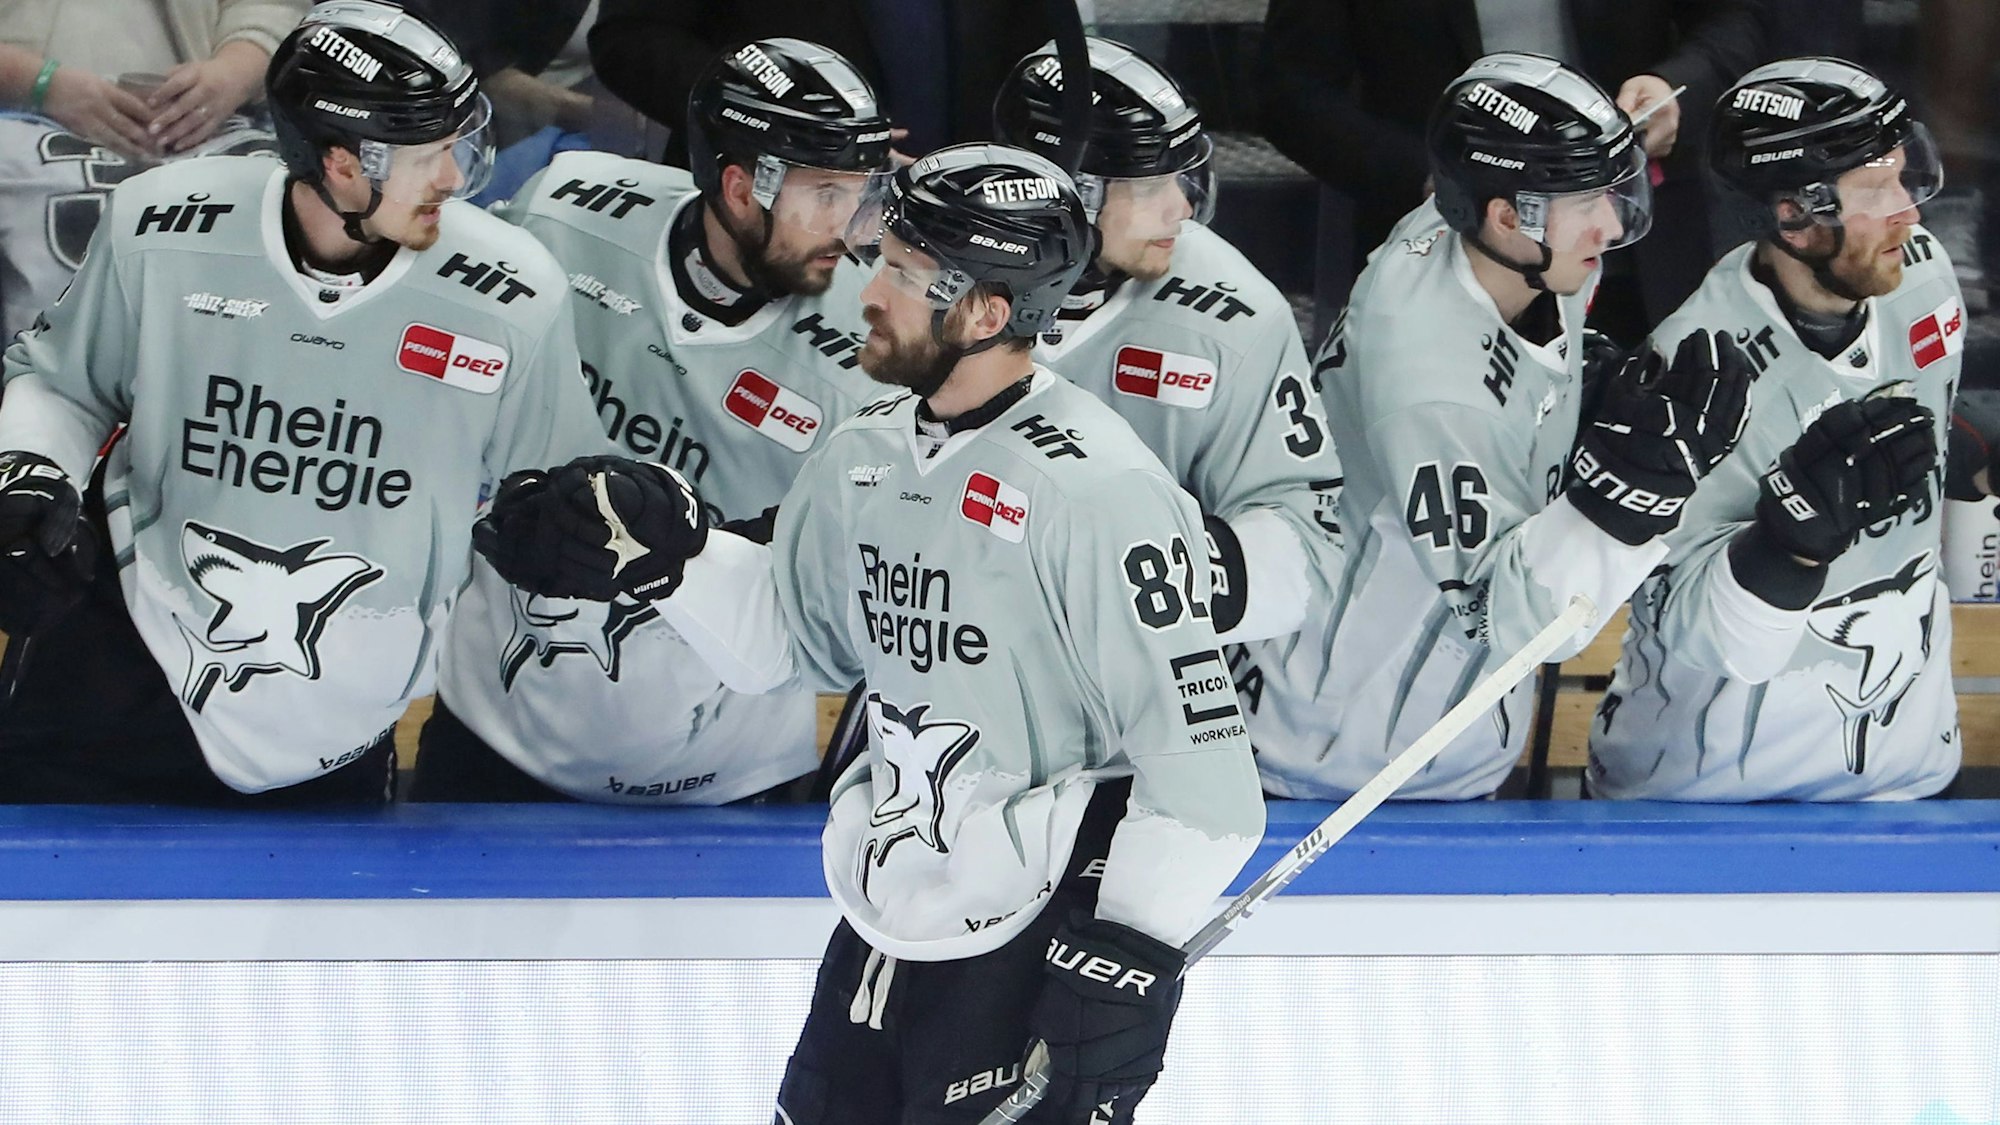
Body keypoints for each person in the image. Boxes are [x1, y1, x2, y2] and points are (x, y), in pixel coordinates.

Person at [473, 145, 1265, 1122]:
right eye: (878, 256)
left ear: (981, 312)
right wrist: (664, 560)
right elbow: (784, 641)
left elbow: (1208, 773)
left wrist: (1132, 957)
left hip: (1034, 926)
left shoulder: (1096, 488)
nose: (868, 290)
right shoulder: (864, 452)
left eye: (900, 271)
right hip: (897, 894)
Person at [0, 0, 601, 804]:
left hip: (339, 710)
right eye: (429, 155)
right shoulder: (162, 223)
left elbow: (552, 485)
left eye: (460, 144)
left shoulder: (514, 291)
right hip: (123, 661)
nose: (455, 179)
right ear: (342, 163)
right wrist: (29, 477)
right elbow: (61, 382)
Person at [1236, 53, 1753, 801]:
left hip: (1450, 739)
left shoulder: (1497, 235)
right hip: (1341, 751)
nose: (1611, 224)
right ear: (1508, 216)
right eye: (1588, 202)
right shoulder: (1432, 382)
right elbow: (1512, 617)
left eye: (1613, 190)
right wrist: (1634, 490)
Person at [412, 38, 894, 804]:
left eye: (864, 194)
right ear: (740, 187)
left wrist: (700, 543)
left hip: (730, 774)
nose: (853, 227)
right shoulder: (562, 214)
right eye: (827, 195)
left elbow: (857, 564)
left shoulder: (876, 337)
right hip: (498, 736)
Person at [1588, 58, 1957, 801]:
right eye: (1877, 188)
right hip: (1708, 800)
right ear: (1794, 215)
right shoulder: (1691, 374)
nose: (1909, 211)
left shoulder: (1923, 275)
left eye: (1904, 174)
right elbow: (1700, 632)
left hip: (1904, 785)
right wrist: (1785, 546)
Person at [992, 37, 1341, 647]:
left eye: (1182, 178)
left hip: (1146, 690)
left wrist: (1126, 581)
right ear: (1068, 192)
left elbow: (1307, 543)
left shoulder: (1235, 314)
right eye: (1150, 186)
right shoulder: (920, 277)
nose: (1181, 207)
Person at [1258, 0, 1766, 340]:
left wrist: (1675, 88)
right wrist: (1439, 178)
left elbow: (1735, 17)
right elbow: (1289, 91)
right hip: (1449, 257)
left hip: (1636, 249)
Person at [0, 0, 309, 159]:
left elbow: (275, 7)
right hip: (19, 155)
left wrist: (234, 72)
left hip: (206, 148)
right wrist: (36, 83)